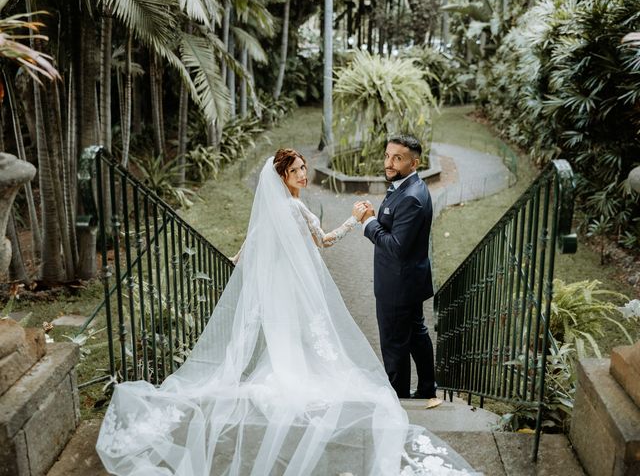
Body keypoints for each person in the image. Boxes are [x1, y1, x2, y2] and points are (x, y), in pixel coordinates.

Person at [96, 148, 476, 475]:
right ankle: (292, 377)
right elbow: (296, 240)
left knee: (295, 337)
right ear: (282, 175)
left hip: (289, 285)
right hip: (292, 287)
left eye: (304, 169)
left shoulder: (284, 208)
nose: (303, 175)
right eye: (296, 171)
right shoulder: (291, 208)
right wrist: (353, 220)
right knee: (299, 339)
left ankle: (289, 373)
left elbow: (284, 239)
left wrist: (241, 256)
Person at [355, 135, 441, 407]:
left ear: (414, 163)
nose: (389, 163)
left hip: (397, 284)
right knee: (416, 334)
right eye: (387, 156)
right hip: (409, 280)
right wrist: (376, 215)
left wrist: (368, 223)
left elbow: (396, 246)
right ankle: (427, 387)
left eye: (397, 158)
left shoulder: (412, 197)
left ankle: (398, 397)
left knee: (394, 345)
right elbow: (394, 225)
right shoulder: (406, 185)